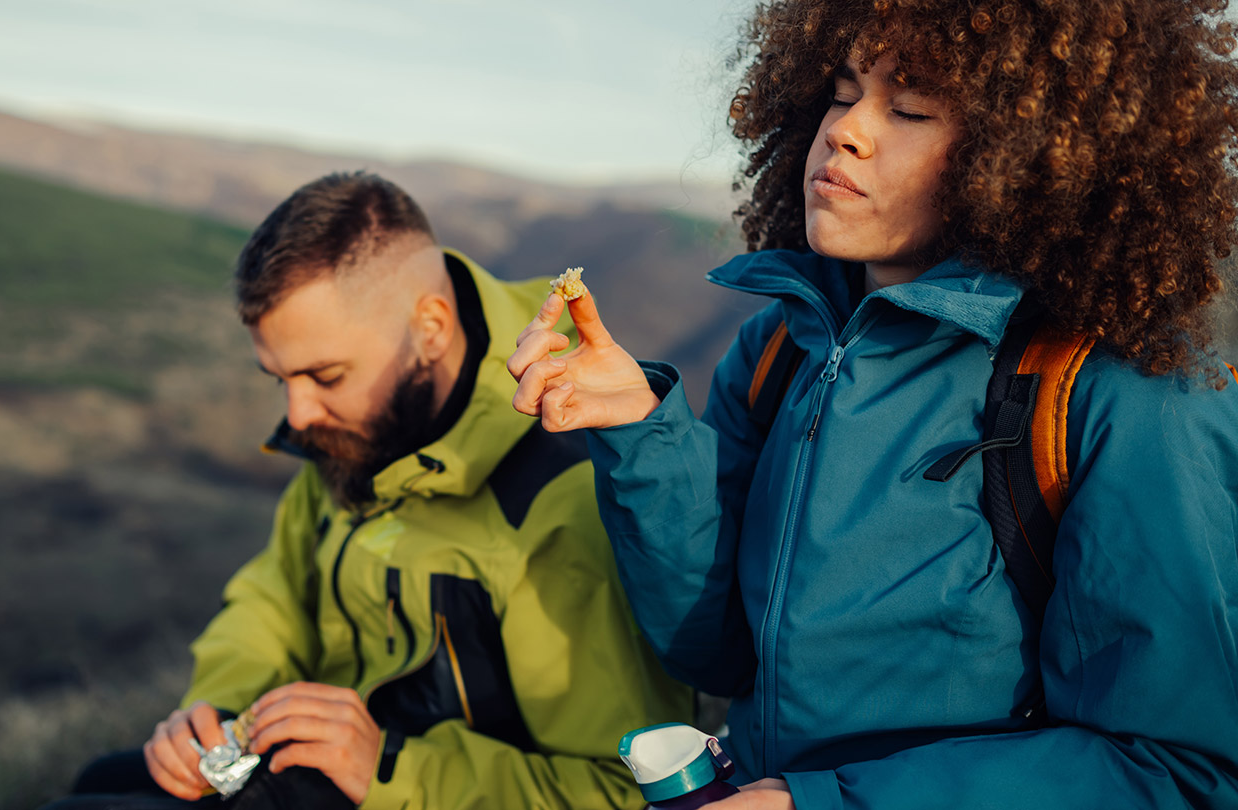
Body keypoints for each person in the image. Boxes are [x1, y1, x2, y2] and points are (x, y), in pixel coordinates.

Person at [508, 1, 1238, 808]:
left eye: (911, 107)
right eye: (842, 90)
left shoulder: (1125, 395)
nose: (846, 131)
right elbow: (715, 653)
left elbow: (1177, 771)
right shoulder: (782, 349)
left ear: (1035, 154)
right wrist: (640, 431)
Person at [46, 172, 691, 810]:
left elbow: (622, 792)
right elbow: (274, 596)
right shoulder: (357, 427)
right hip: (303, 771)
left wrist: (390, 771)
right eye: (280, 379)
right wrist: (216, 710)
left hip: (408, 793)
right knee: (99, 781)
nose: (298, 414)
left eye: (324, 375)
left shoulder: (561, 496)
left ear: (431, 329)